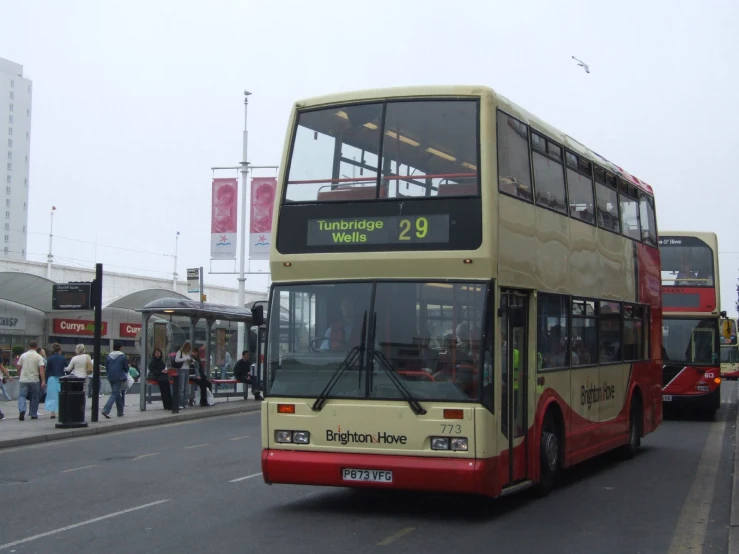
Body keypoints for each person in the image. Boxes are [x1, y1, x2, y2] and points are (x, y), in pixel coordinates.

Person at [17, 340, 46, 420]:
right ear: (36, 347)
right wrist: (43, 380)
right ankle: (33, 414)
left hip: (23, 379)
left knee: (22, 395)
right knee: (35, 397)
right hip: (34, 380)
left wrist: (19, 375)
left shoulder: (23, 355)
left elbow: (18, 367)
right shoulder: (39, 357)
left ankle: (22, 410)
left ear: (29, 346)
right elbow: (41, 370)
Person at [101, 341, 129, 419]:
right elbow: (126, 367)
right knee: (115, 393)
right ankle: (106, 410)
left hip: (110, 376)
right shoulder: (122, 356)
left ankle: (120, 412)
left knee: (117, 393)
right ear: (120, 347)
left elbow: (106, 366)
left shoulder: (109, 356)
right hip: (119, 377)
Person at [44, 343, 66, 419]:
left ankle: (52, 413)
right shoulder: (63, 358)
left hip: (51, 378)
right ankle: (61, 411)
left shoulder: (50, 358)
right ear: (60, 350)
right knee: (61, 395)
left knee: (52, 396)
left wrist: (45, 381)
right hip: (61, 378)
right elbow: (66, 368)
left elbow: (47, 370)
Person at [174, 341, 193, 409]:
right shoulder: (180, 352)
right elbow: (176, 360)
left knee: (186, 388)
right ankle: (180, 403)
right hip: (181, 370)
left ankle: (185, 402)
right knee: (181, 388)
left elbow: (188, 360)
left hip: (187, 369)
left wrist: (190, 360)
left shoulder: (187, 353)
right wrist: (185, 358)